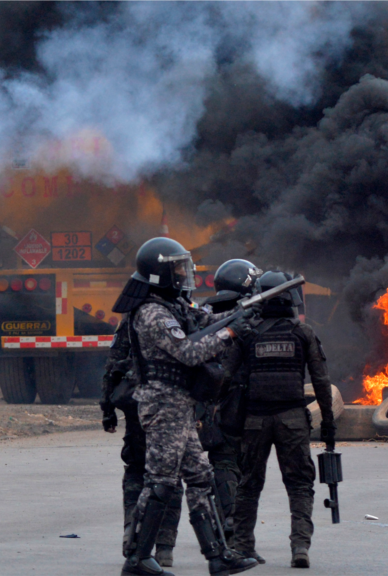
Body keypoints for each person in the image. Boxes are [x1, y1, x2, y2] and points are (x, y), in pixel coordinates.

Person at [115, 237, 258, 576]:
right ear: (160, 273)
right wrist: (231, 333)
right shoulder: (152, 313)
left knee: (200, 477)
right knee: (161, 481)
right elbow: (189, 352)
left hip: (178, 405)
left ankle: (218, 556)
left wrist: (236, 314)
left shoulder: (172, 307)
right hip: (164, 407)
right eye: (178, 267)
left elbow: (203, 321)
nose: (184, 273)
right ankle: (136, 559)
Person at [228, 271, 335, 569]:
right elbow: (322, 382)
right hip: (292, 421)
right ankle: (300, 546)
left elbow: (226, 377)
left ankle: (242, 547)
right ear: (291, 299)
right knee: (300, 485)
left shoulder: (248, 334)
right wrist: (328, 423)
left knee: (248, 485)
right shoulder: (303, 333)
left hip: (254, 421)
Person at [102, 318, 185, 568]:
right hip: (173, 405)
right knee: (171, 475)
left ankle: (132, 532)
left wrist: (107, 409)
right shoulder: (178, 316)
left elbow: (112, 367)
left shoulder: (129, 320)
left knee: (136, 472)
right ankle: (165, 546)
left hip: (137, 402)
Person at [196, 259, 263, 557]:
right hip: (234, 402)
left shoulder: (206, 314)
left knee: (226, 465)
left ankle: (232, 530)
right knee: (231, 466)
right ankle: (234, 533)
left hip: (217, 403)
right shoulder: (244, 318)